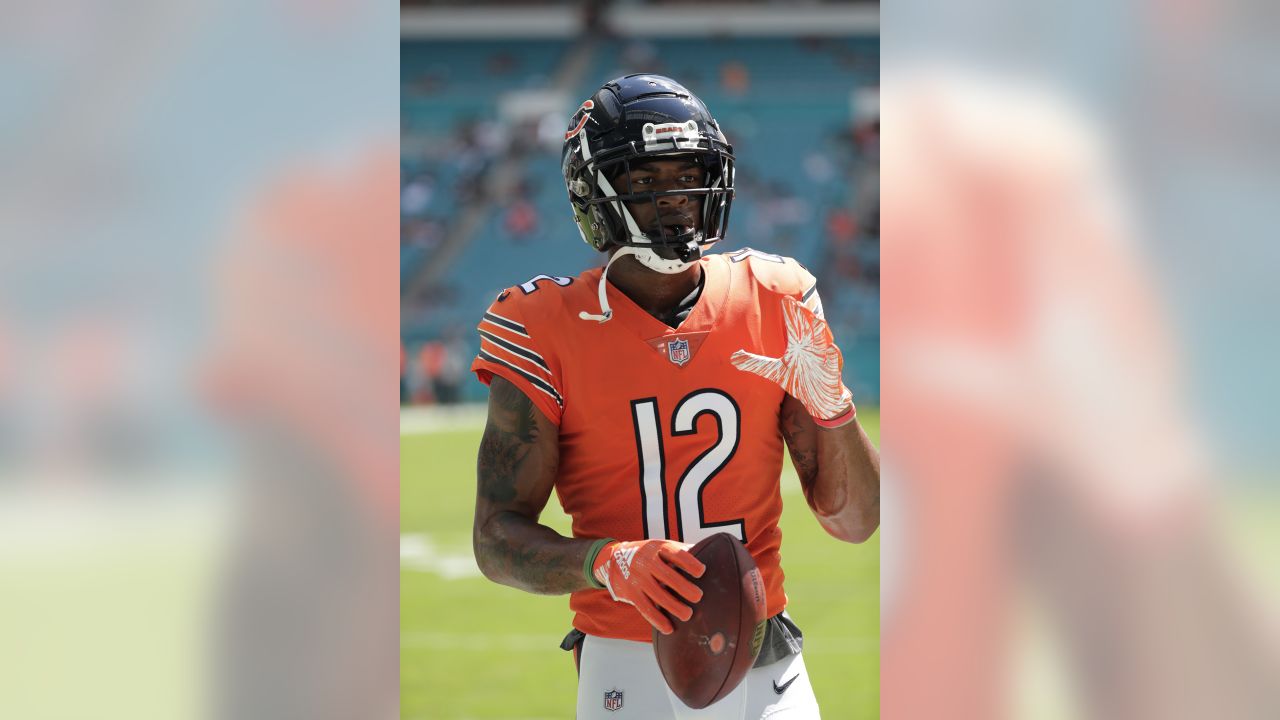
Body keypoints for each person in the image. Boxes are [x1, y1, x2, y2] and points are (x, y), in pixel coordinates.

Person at [470, 74, 879, 719]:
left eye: (687, 172)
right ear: (594, 193)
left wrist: (833, 404)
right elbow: (496, 539)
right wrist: (607, 561)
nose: (676, 198)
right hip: (628, 653)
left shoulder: (775, 298)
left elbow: (856, 522)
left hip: (768, 651)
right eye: (644, 179)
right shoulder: (544, 326)